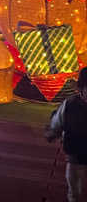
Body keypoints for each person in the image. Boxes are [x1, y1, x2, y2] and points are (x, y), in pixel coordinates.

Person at [46, 67, 87, 202]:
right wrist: (52, 131)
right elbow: (58, 120)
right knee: (75, 188)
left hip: (75, 151)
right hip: (74, 154)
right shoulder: (70, 105)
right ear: (81, 89)